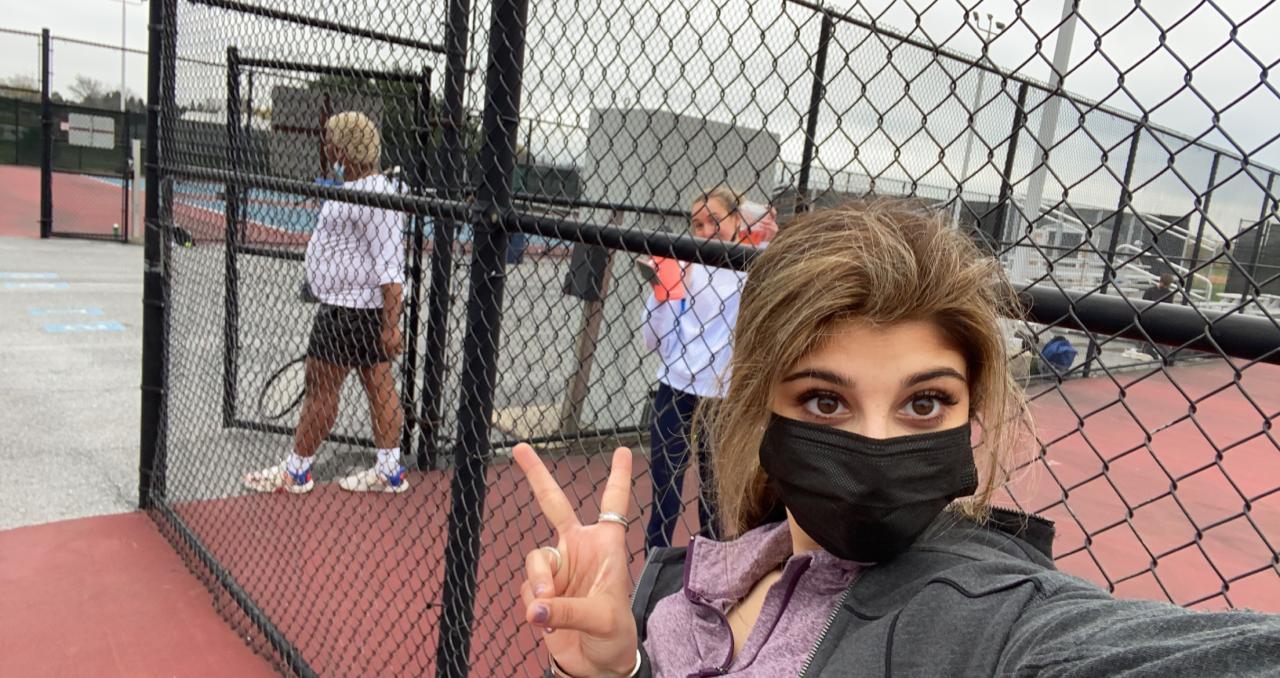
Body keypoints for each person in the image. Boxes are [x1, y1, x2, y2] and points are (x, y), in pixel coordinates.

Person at [510, 200, 1280, 676]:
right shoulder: (685, 586)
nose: (875, 444)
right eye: (824, 400)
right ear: (760, 407)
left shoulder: (992, 618)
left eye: (923, 403)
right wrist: (609, 673)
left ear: (970, 415)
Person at [244, 111, 410, 494]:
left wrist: (391, 326)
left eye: (332, 141)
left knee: (321, 388)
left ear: (344, 149)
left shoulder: (375, 194)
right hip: (355, 309)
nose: (327, 147)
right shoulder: (358, 187)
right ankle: (388, 471)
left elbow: (391, 271)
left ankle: (297, 472)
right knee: (379, 386)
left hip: (348, 312)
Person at [638, 187, 776, 551]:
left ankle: (709, 568)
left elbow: (773, 240)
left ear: (736, 220)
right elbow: (653, 341)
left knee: (713, 497)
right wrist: (662, 295)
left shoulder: (752, 265)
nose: (704, 231)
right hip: (675, 388)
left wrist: (762, 231)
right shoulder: (684, 263)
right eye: (697, 224)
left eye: (714, 220)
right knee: (664, 493)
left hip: (722, 395)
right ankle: (653, 567)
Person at [1141, 273, 1179, 361]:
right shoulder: (1151, 291)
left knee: (1156, 338)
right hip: (1151, 317)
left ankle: (1160, 352)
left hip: (1158, 318)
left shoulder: (1168, 293)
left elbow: (1168, 307)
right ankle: (1152, 350)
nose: (1164, 286)